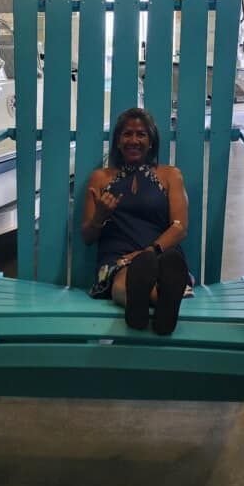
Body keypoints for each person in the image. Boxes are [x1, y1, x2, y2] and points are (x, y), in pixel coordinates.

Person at [82, 107, 191, 335]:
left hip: (162, 253)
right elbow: (87, 237)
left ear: (151, 141)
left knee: (164, 267)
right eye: (127, 134)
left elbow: (180, 227)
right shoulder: (101, 178)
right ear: (118, 142)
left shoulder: (170, 175)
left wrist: (150, 251)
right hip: (118, 258)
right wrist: (99, 217)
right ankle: (161, 305)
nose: (134, 140)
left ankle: (142, 308)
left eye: (141, 134)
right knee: (123, 281)